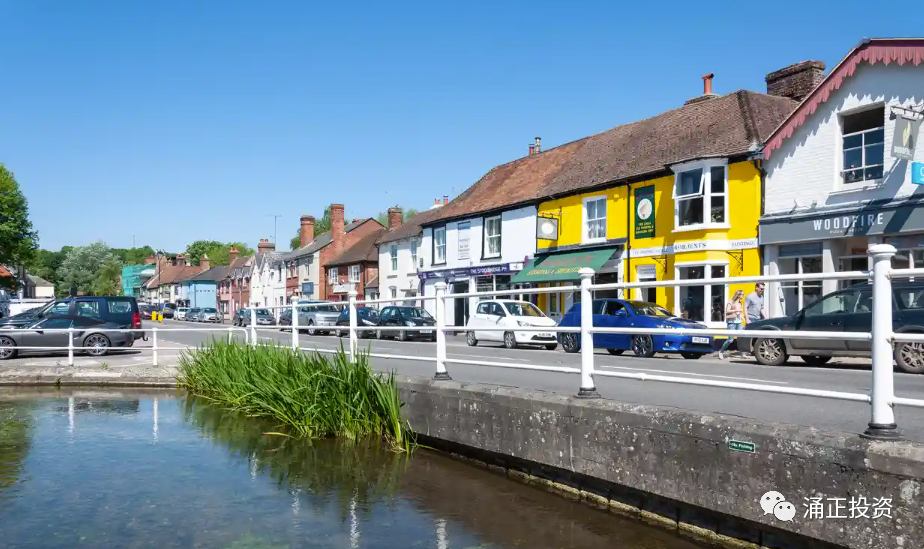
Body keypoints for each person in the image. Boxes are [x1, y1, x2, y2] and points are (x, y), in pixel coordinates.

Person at [717, 290, 745, 360]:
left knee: (741, 338)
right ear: (738, 295)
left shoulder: (740, 302)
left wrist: (744, 319)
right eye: (742, 294)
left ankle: (743, 353)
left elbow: (740, 313)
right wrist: (735, 311)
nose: (743, 296)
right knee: (730, 340)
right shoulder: (730, 301)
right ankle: (721, 351)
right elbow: (727, 311)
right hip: (731, 322)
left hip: (739, 322)